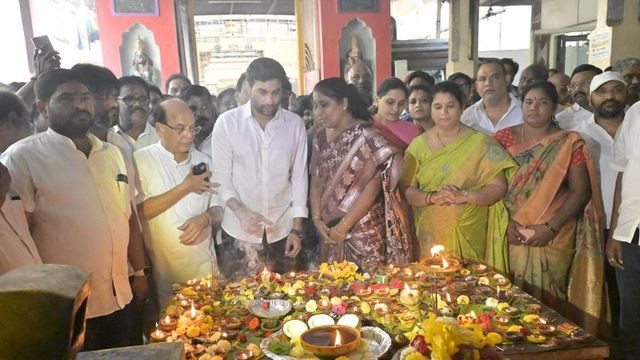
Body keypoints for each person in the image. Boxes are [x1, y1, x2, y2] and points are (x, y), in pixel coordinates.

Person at [1, 69, 145, 350]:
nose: (80, 105)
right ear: (42, 106)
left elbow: (127, 218)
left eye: (84, 97)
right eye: (67, 98)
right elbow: (21, 236)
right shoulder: (23, 158)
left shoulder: (113, 153)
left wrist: (139, 273)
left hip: (121, 293)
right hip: (70, 305)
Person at [496, 81, 606, 336]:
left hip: (554, 234)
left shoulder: (570, 142)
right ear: (521, 105)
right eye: (529, 102)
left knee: (550, 306)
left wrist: (550, 227)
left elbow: (581, 191)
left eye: (543, 102)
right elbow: (492, 184)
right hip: (510, 231)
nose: (534, 108)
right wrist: (505, 223)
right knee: (506, 300)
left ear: (554, 107)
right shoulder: (501, 139)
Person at [400, 82, 515, 269]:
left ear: (462, 107)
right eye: (438, 106)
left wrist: (464, 196)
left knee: (469, 286)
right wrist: (432, 197)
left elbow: (498, 187)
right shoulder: (417, 146)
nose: (444, 112)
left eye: (450, 106)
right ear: (431, 109)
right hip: (430, 229)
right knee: (433, 285)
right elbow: (406, 189)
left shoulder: (483, 143)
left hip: (470, 227)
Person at [210, 58, 307, 279]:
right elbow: (222, 178)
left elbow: (300, 178)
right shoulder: (227, 123)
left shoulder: (294, 125)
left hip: (281, 231)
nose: (270, 100)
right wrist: (241, 212)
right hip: (238, 230)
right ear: (247, 87)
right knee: (239, 302)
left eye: (276, 92)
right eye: (262, 92)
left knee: (286, 297)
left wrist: (297, 229)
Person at [309, 78, 415, 270]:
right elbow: (315, 179)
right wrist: (316, 219)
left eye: (324, 105)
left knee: (369, 291)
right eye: (315, 106)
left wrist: (343, 227)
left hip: (363, 227)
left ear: (344, 103)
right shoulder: (319, 138)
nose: (318, 112)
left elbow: (373, 186)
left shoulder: (368, 136)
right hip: (328, 229)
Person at [135, 99, 220, 307]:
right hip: (167, 272)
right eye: (180, 129)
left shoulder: (204, 160)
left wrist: (205, 218)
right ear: (160, 129)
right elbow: (140, 211)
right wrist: (186, 186)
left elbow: (219, 208)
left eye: (193, 128)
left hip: (205, 266)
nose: (189, 135)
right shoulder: (142, 160)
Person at [607, 100, 640, 357]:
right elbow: (622, 172)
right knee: (631, 321)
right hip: (632, 233)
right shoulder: (636, 112)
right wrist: (616, 232)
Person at [462, 59, 523, 134]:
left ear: (507, 80)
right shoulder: (467, 117)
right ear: (476, 86)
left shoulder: (524, 112)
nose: (488, 83)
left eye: (495, 77)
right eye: (482, 79)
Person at [109, 76, 159, 159]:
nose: (137, 104)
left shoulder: (162, 138)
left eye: (142, 99)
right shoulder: (107, 140)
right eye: (129, 99)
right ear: (116, 102)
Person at [372, 77, 420, 150]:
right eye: (390, 102)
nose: (396, 109)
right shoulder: (365, 126)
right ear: (376, 100)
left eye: (401, 104)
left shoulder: (413, 131)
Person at [556, 64, 603, 129]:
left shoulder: (615, 111)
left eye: (584, 83)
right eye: (573, 86)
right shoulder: (561, 120)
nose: (577, 89)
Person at [180, 85, 217, 156]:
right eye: (193, 108)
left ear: (212, 108)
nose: (200, 113)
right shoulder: (176, 141)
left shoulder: (224, 135)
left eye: (205, 107)